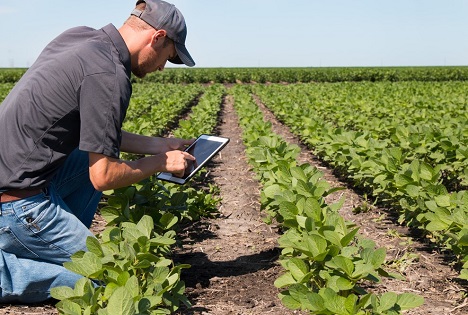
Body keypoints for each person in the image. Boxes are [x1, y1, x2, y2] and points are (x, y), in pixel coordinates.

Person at [0, 0, 196, 303]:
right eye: (167, 57)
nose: (161, 67)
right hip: (17, 206)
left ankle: (50, 246)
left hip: (15, 182)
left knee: (85, 153)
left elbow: (93, 134)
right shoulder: (111, 75)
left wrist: (157, 144)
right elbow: (103, 176)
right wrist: (160, 162)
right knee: (113, 279)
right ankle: (9, 270)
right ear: (156, 37)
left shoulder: (80, 38)